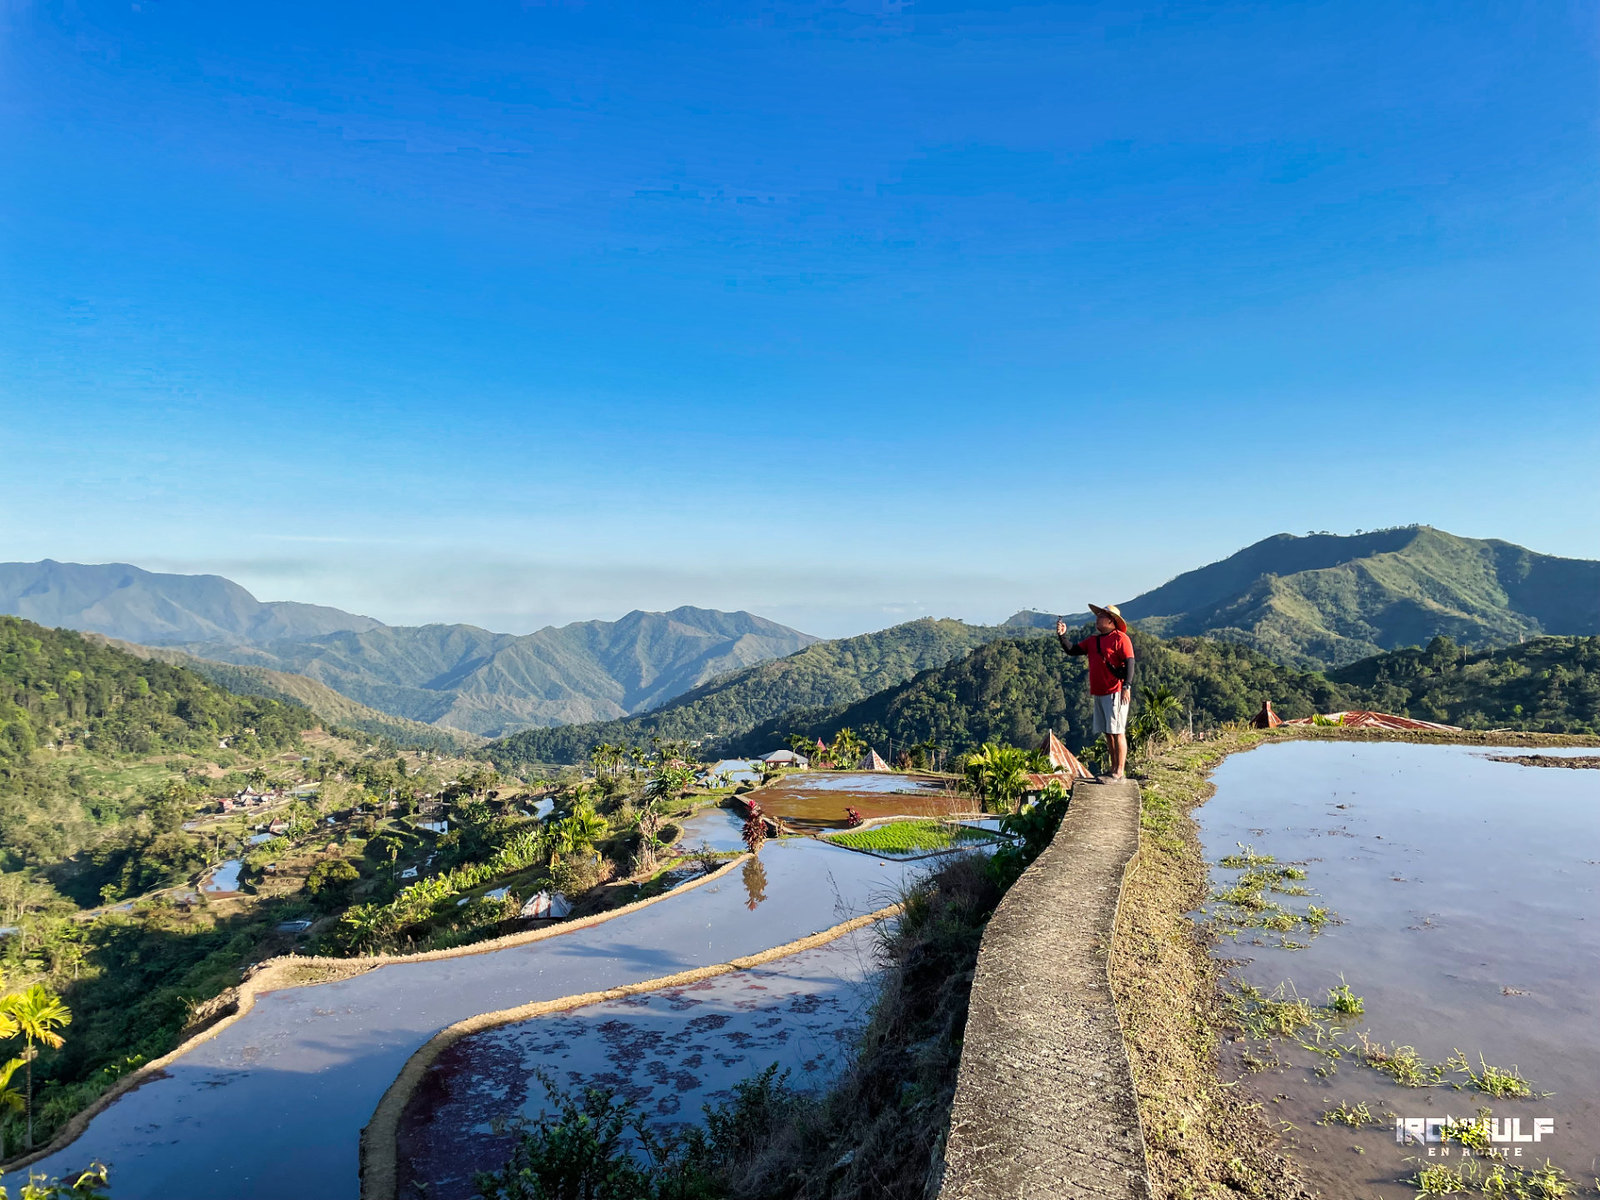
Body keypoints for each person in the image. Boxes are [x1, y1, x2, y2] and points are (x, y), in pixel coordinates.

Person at [1056, 604, 1136, 781]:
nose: (1097, 619)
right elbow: (1072, 650)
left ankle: (1119, 770)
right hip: (1099, 692)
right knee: (1108, 732)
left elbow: (1130, 662)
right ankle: (1113, 768)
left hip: (1115, 690)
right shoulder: (1093, 641)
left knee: (1117, 731)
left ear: (1111, 620)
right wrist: (1062, 636)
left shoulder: (1121, 639)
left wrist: (1127, 686)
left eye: (1101, 616)